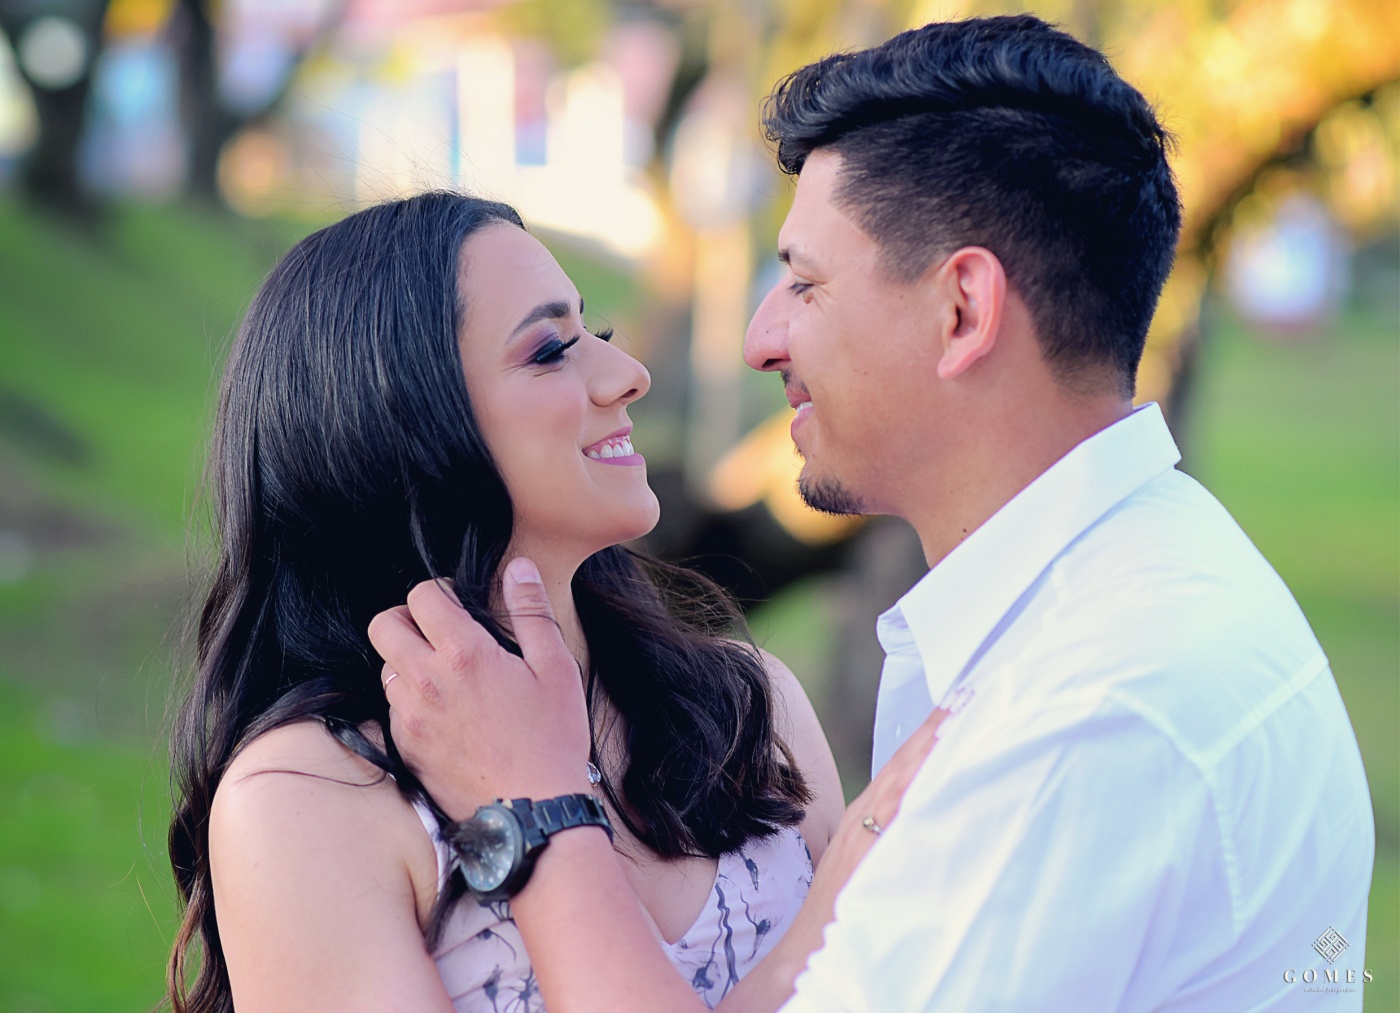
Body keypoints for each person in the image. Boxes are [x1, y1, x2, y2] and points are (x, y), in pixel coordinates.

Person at [370, 14, 1377, 1013]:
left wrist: (537, 807)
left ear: (961, 310)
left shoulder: (1085, 714)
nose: (762, 339)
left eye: (804, 284)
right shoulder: (1115, 601)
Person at [163, 191, 856, 1013]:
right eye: (551, 349)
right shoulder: (306, 796)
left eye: (595, 334)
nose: (626, 375)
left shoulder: (751, 705)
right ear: (399, 428)